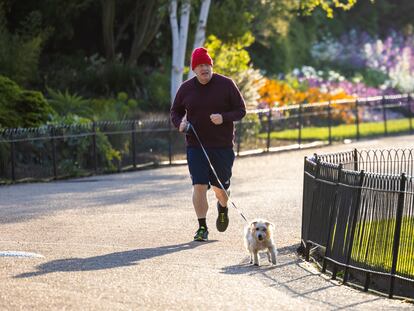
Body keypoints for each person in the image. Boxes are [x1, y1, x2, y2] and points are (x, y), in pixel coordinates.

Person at [170, 47, 246, 241]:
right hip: (195, 146)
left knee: (220, 189)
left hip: (222, 147)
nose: (204, 69)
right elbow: (175, 112)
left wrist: (224, 117)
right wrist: (181, 124)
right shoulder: (186, 88)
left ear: (211, 66)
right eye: (200, 65)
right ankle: (202, 227)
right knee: (199, 186)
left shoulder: (226, 84)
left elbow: (241, 110)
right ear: (194, 69)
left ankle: (223, 206)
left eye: (207, 65)